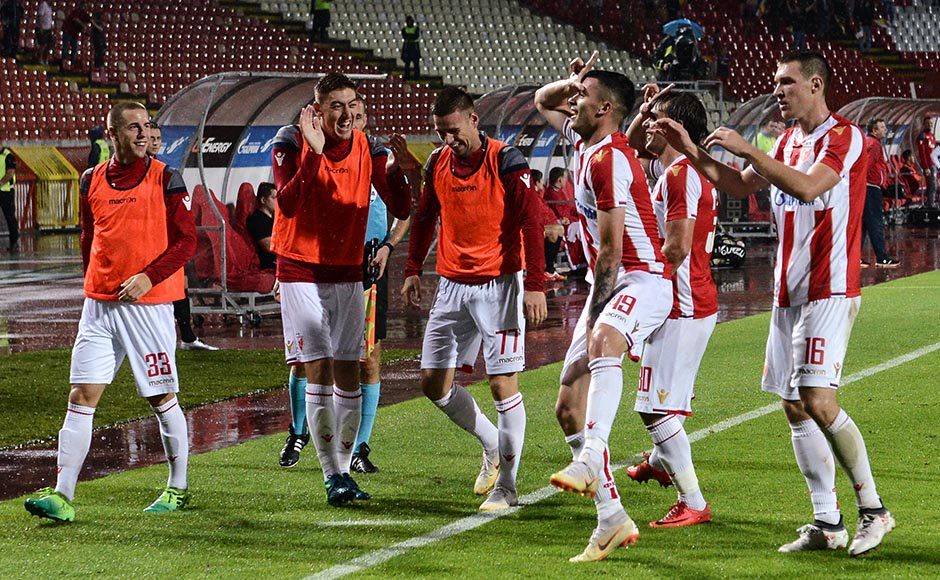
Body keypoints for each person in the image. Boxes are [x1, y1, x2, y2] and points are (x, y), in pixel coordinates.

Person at [649, 50, 894, 556]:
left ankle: (874, 510)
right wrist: (690, 149)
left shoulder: (845, 138)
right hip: (788, 291)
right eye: (776, 82)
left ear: (816, 85)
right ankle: (827, 523)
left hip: (829, 288)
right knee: (793, 404)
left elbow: (807, 187)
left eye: (787, 82)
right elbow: (738, 184)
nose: (778, 91)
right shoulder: (787, 141)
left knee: (818, 400)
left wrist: (746, 149)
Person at [23, 102, 197, 521]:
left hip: (147, 307)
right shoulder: (90, 179)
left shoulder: (166, 177)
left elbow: (186, 241)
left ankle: (178, 488)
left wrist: (149, 277)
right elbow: (89, 235)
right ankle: (63, 496)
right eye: (134, 127)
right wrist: (93, 280)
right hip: (99, 307)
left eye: (147, 126)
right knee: (81, 397)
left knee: (160, 397)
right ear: (112, 134)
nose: (143, 134)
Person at [535, 51, 672, 561]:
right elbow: (541, 100)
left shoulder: (611, 158)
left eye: (583, 97)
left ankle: (593, 458)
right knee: (567, 407)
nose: (572, 102)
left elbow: (612, 251)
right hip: (608, 283)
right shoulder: (582, 141)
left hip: (643, 278)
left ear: (606, 108)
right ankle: (611, 517)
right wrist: (571, 81)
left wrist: (593, 315)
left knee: (603, 339)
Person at [269, 72, 411, 504]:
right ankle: (332, 475)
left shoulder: (370, 147)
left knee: (350, 370)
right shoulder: (290, 141)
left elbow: (403, 206)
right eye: (336, 106)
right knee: (318, 365)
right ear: (317, 110)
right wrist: (313, 154)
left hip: (349, 269)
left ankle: (345, 471)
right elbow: (287, 203)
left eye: (352, 105)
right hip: (300, 268)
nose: (346, 114)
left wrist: (399, 172)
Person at [403, 86, 547, 512]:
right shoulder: (437, 162)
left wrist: (535, 283)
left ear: (473, 120)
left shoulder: (507, 160)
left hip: (499, 286)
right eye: (441, 132)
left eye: (454, 130)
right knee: (433, 384)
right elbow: (425, 216)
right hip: (451, 285)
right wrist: (412, 268)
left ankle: (508, 485)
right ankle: (490, 443)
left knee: (502, 384)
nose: (449, 140)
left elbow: (532, 221)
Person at [623, 86, 719, 527]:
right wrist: (644, 109)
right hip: (688, 300)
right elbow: (626, 146)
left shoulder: (680, 175)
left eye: (655, 117)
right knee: (666, 401)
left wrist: (640, 286)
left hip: (681, 304)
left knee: (655, 407)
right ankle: (660, 462)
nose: (647, 124)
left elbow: (677, 247)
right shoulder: (680, 169)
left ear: (674, 127)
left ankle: (693, 501)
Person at [350, 98, 412, 473]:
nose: (351, 120)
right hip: (332, 266)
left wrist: (389, 246)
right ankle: (312, 435)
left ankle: (360, 447)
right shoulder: (322, 158)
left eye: (358, 115)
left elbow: (405, 212)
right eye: (345, 114)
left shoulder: (381, 160)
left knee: (370, 357)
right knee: (328, 359)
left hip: (371, 263)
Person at [147, 123, 218, 352]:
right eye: (151, 138)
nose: (154, 142)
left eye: (158, 138)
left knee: (179, 285)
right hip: (151, 243)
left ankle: (187, 336)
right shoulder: (147, 174)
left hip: (168, 241)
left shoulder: (164, 172)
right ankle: (171, 339)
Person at [861, 118, 899, 268]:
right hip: (871, 188)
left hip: (865, 188)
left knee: (863, 224)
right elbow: (867, 165)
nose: (885, 130)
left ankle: (855, 258)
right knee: (875, 223)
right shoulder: (875, 144)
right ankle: (882, 258)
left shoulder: (866, 142)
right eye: (882, 127)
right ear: (874, 131)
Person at [246, 182, 277, 271]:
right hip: (271, 263)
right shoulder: (256, 219)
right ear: (263, 200)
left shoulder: (274, 217)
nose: (278, 201)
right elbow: (270, 246)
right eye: (274, 198)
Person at [916, 114, 937, 207]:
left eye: (931, 123)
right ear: (924, 125)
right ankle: (930, 205)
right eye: (928, 124)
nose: (930, 125)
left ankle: (931, 203)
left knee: (934, 185)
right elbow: (922, 153)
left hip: (933, 164)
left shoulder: (932, 135)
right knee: (932, 185)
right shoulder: (922, 136)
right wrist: (926, 167)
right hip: (928, 165)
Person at [61, 2, 90, 69]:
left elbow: (89, 20)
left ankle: (71, 62)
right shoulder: (76, 11)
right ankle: (63, 62)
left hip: (74, 33)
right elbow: (75, 19)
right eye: (84, 7)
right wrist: (83, 25)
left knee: (75, 47)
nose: (85, 8)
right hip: (68, 31)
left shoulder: (84, 14)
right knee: (65, 47)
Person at [0, 144, 17, 252]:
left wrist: (1, 183)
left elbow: (10, 173)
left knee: (10, 217)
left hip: (6, 191)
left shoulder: (8, 156)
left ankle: (14, 243)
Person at [400, 15, 420, 80]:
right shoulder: (404, 29)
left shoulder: (416, 28)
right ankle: (407, 76)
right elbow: (405, 36)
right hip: (407, 47)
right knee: (407, 64)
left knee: (416, 64)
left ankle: (417, 77)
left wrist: (408, 37)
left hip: (414, 47)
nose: (409, 22)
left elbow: (416, 36)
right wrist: (411, 36)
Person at [35, 0, 53, 65]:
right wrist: (41, 27)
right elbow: (39, 16)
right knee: (43, 44)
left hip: (48, 28)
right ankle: (40, 59)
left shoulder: (50, 7)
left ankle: (45, 58)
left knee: (50, 44)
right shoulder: (43, 5)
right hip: (42, 28)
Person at [89, 12, 106, 82]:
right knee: (97, 58)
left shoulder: (99, 23)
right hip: (96, 44)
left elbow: (100, 29)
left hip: (100, 44)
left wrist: (93, 23)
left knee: (100, 59)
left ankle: (102, 75)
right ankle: (98, 75)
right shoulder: (94, 26)